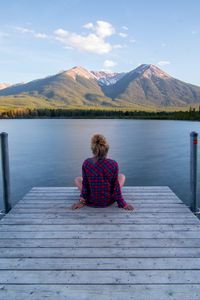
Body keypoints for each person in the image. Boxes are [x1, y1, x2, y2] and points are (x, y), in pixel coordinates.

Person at [72, 134, 134, 210]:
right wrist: (123, 204)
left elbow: (85, 184)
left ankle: (84, 199)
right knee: (121, 176)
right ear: (106, 149)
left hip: (91, 200)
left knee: (78, 179)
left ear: (93, 150)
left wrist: (81, 202)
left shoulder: (86, 163)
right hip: (108, 200)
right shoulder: (113, 164)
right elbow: (116, 186)